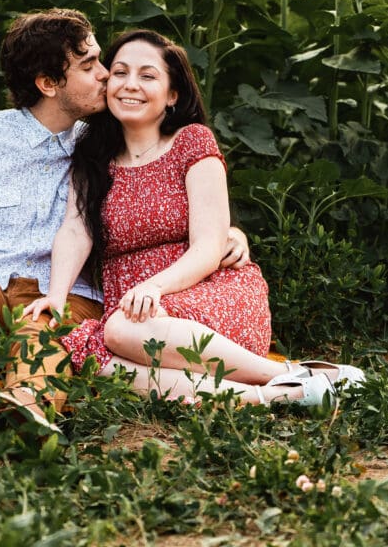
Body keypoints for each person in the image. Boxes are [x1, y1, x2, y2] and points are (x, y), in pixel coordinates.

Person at [0, 9, 250, 431]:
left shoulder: (106, 138)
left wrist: (229, 232)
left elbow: (165, 178)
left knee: (42, 333)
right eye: (89, 65)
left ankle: (25, 410)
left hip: (65, 299)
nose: (105, 76)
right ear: (47, 83)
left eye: (101, 61)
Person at [25, 30, 364, 408]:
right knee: (95, 358)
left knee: (119, 330)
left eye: (147, 76)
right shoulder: (93, 156)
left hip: (206, 289)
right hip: (138, 311)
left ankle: (288, 372)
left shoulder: (191, 142)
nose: (129, 85)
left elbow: (208, 247)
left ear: (173, 95)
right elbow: (76, 229)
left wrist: (154, 287)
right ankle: (276, 395)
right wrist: (55, 296)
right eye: (119, 73)